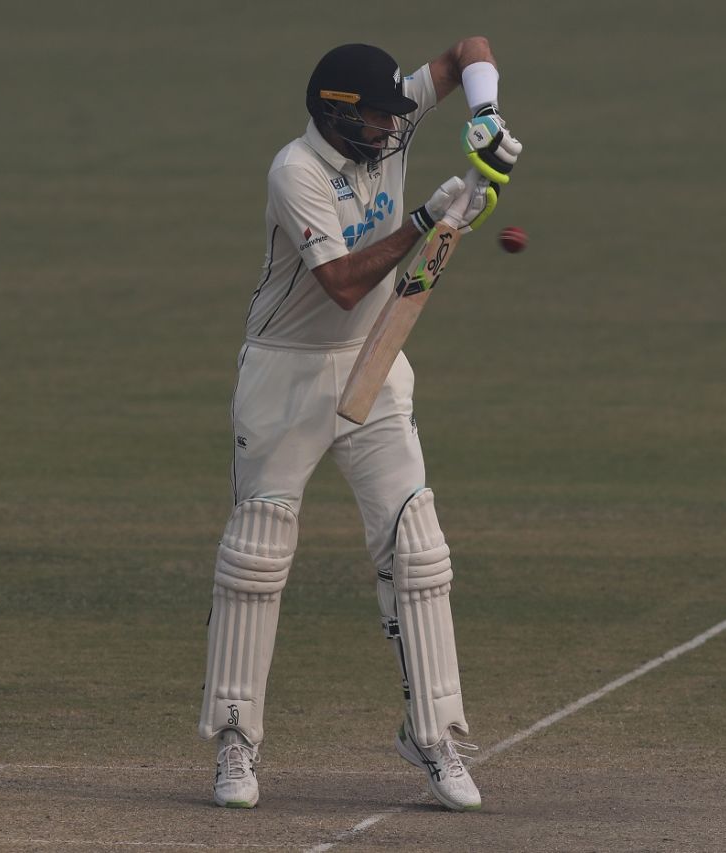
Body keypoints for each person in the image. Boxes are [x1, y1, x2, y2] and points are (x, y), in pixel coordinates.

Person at [198, 38, 522, 812]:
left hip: (375, 361)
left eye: (394, 119)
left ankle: (435, 734)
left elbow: (466, 50)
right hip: (284, 374)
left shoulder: (391, 122)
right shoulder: (295, 172)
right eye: (378, 121)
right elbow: (341, 282)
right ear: (339, 118)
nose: (392, 133)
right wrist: (426, 218)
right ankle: (237, 743)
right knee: (257, 553)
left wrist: (483, 115)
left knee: (417, 546)